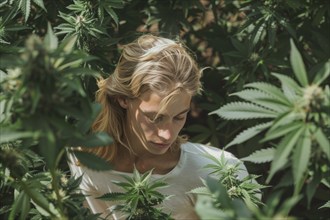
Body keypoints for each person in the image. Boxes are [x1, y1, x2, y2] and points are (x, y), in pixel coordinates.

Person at [68, 34, 249, 219]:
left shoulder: (219, 171)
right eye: (154, 118)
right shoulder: (84, 164)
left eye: (179, 117)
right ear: (123, 99)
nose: (167, 135)